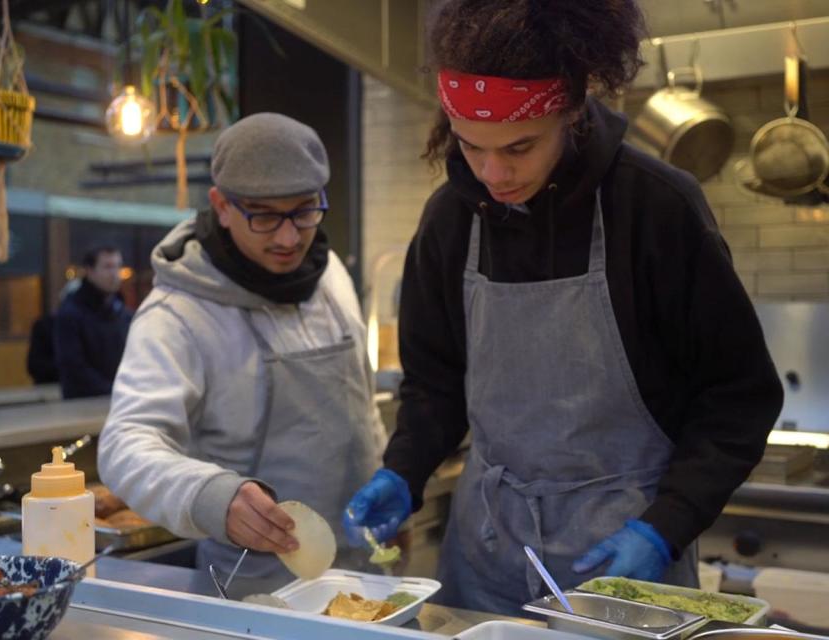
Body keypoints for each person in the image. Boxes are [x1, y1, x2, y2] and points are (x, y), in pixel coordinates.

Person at [343, 0, 784, 615]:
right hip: (487, 559)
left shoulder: (655, 209)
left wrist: (664, 525)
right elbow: (435, 386)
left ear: (570, 111)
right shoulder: (449, 220)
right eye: (472, 147)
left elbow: (739, 399)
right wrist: (405, 469)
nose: (494, 173)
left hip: (624, 561)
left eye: (520, 146)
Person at [97, 113, 386, 581]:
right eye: (265, 215)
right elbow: (125, 445)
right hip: (257, 585)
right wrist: (212, 495)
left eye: (304, 210)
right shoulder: (178, 314)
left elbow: (361, 407)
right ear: (222, 206)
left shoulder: (329, 272)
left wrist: (384, 478)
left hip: (368, 567)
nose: (290, 237)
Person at [53, 246, 132, 399]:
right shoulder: (71, 314)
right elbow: (73, 366)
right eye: (107, 267)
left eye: (118, 266)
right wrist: (113, 390)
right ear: (90, 271)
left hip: (122, 399)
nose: (115, 274)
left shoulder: (123, 313)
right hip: (83, 404)